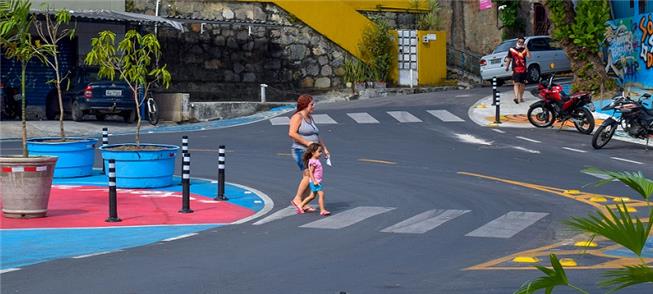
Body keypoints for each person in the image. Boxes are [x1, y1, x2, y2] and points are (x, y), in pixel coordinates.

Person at [288, 94, 330, 213]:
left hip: (312, 151)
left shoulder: (310, 117)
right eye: (311, 104)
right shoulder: (297, 117)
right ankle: (297, 199)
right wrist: (307, 143)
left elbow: (317, 134)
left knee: (307, 177)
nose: (313, 106)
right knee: (307, 175)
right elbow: (292, 133)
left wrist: (324, 148)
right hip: (301, 150)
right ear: (305, 105)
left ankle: (302, 202)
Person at [297, 143, 330, 216]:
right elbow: (310, 173)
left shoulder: (315, 159)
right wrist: (314, 181)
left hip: (316, 181)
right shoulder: (313, 162)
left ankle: (300, 206)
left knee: (312, 196)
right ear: (313, 152)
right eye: (319, 151)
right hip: (315, 182)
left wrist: (326, 156)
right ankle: (322, 210)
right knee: (321, 194)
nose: (320, 153)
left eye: (321, 151)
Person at [504, 36, 531, 104]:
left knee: (522, 84)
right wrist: (507, 66)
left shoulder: (524, 50)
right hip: (515, 69)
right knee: (516, 83)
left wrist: (526, 47)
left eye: (522, 42)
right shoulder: (512, 49)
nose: (520, 43)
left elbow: (529, 56)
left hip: (523, 69)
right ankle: (516, 97)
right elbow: (509, 58)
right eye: (519, 41)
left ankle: (521, 97)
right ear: (517, 41)